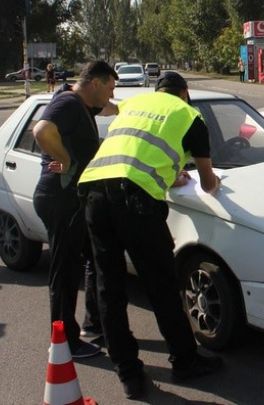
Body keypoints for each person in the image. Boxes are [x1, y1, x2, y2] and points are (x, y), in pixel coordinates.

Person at [78, 71, 222, 400]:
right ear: (185, 93)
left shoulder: (135, 103)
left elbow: (137, 154)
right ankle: (185, 360)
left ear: (157, 91)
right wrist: (213, 183)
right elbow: (209, 181)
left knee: (109, 287)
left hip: (94, 194)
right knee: (161, 284)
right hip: (135, 203)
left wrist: (169, 176)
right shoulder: (190, 116)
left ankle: (128, 374)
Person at [32, 61, 119, 360]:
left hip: (68, 199)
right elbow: (42, 130)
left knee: (94, 259)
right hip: (61, 198)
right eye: (110, 88)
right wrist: (66, 160)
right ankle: (64, 342)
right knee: (64, 272)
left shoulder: (81, 102)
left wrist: (125, 109)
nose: (111, 94)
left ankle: (92, 326)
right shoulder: (70, 103)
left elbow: (109, 110)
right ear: (94, 82)